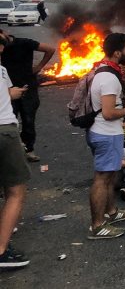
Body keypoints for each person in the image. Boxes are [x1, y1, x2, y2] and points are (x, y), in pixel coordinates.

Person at [88, 32, 125, 240]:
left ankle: (112, 212)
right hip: (106, 134)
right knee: (102, 178)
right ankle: (98, 226)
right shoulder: (108, 78)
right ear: (117, 53)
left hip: (109, 133)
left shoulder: (106, 71)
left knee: (109, 177)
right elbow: (108, 113)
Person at [0, 30, 55, 162]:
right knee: (8, 121)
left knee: (28, 120)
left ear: (5, 34)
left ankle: (29, 150)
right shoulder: (2, 48)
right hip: (9, 88)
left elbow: (50, 49)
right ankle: (13, 151)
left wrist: (38, 67)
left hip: (27, 88)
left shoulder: (24, 43)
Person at [0, 35, 30, 268]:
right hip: (4, 131)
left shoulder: (3, 71)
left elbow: (7, 93)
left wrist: (13, 93)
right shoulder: (1, 70)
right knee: (16, 191)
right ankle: (1, 251)